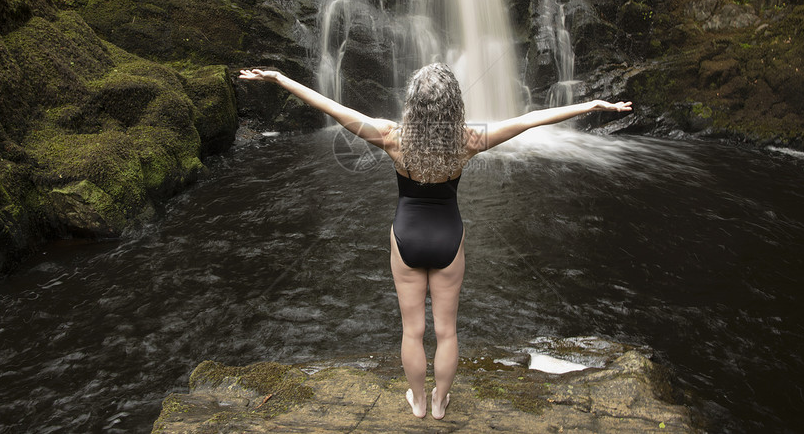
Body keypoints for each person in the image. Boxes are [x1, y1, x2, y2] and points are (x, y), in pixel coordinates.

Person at [238, 63, 631, 420]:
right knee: (446, 331)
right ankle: (442, 402)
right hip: (449, 238)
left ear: (412, 104)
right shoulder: (468, 141)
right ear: (453, 106)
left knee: (412, 331)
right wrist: (591, 105)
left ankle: (419, 402)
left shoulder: (391, 137)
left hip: (406, 237)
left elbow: (330, 107)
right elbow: (529, 121)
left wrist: (277, 78)